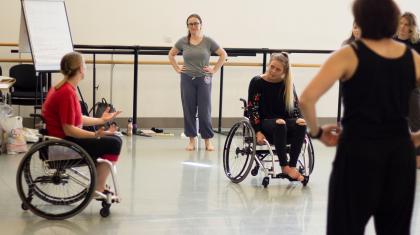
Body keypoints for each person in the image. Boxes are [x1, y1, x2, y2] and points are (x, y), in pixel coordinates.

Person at [299, 0, 420, 234]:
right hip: (399, 155)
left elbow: (306, 99)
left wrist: (317, 132)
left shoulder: (349, 54)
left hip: (357, 154)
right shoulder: (412, 57)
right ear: (393, 21)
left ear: (361, 19)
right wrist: (415, 138)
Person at [42, 52, 122, 194]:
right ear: (80, 68)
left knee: (114, 138)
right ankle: (98, 187)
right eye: (84, 64)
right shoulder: (66, 93)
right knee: (114, 143)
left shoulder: (63, 88)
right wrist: (94, 134)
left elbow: (77, 117)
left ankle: (99, 183)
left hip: (62, 140)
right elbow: (69, 129)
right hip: (63, 144)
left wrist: (102, 120)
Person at [168, 13, 227, 151]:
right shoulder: (183, 41)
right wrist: (177, 68)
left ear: (201, 25)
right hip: (187, 78)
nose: (193, 26)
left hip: (204, 79)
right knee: (188, 109)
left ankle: (207, 141)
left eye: (196, 23)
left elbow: (223, 54)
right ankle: (191, 140)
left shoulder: (208, 41)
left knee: (204, 110)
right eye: (190, 24)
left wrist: (214, 69)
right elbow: (171, 54)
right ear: (188, 26)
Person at [247, 53, 307, 181]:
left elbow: (296, 108)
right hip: (265, 123)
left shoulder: (287, 84)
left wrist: (299, 120)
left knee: (301, 122)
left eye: (278, 69)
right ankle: (284, 167)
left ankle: (292, 166)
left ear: (284, 71)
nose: (273, 71)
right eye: (272, 66)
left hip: (283, 124)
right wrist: (257, 131)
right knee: (280, 122)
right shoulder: (257, 82)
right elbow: (253, 108)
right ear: (269, 64)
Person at [395, 12, 420, 168]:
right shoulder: (390, 42)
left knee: (416, 123)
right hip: (393, 91)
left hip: (412, 89)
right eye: (401, 23)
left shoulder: (417, 44)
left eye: (406, 25)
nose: (403, 27)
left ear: (411, 28)